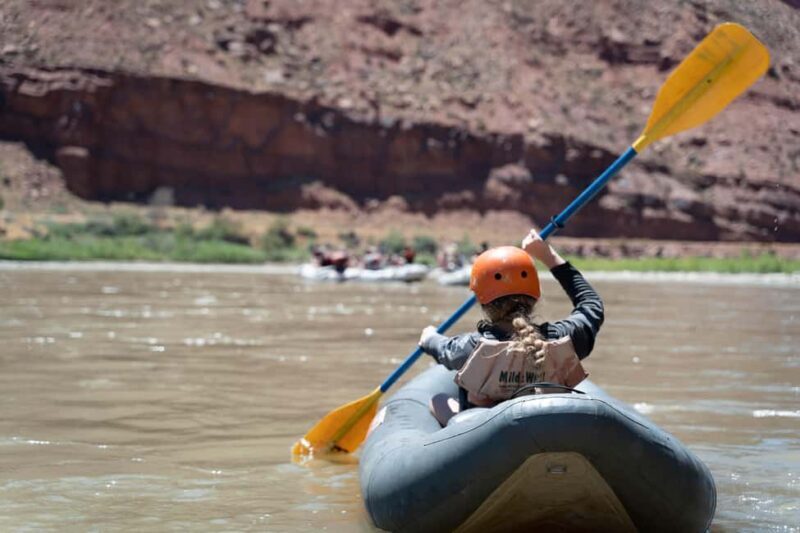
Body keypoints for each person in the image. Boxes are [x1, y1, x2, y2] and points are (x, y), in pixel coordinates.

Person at [418, 228, 604, 421]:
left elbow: (440, 348)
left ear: (482, 301)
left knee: (438, 400)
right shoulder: (565, 338)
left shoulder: (469, 348)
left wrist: (429, 337)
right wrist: (549, 256)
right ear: (534, 296)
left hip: (486, 438)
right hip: (547, 428)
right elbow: (591, 305)